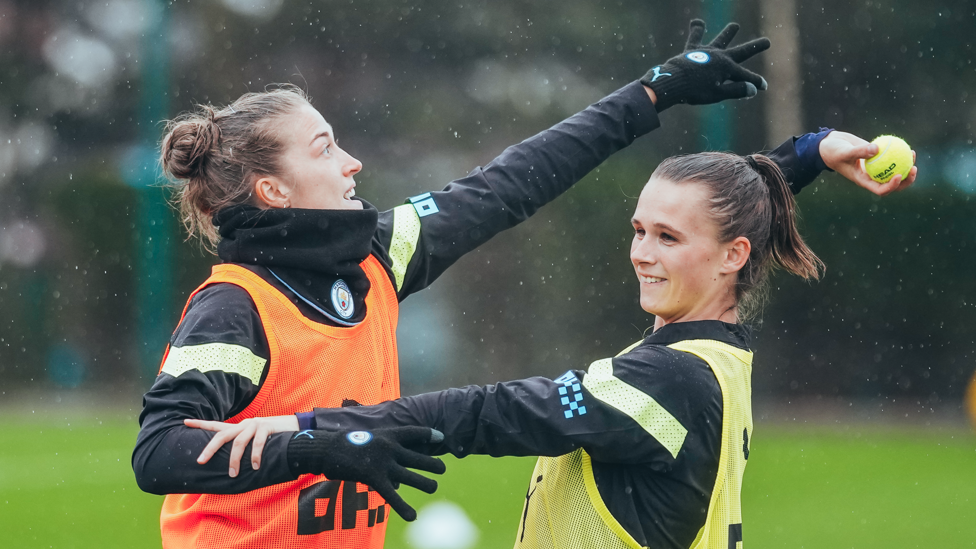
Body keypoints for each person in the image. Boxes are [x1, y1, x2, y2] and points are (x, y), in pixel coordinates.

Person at [131, 17, 864, 548]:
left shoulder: (374, 259)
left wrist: (651, 93)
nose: (351, 161)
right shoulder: (235, 305)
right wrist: (311, 445)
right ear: (273, 191)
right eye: (325, 148)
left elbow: (514, 181)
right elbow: (158, 448)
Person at [184, 130, 917, 549]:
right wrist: (809, 154)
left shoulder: (670, 383)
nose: (642, 252)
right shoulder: (706, 353)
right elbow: (732, 220)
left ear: (733, 256)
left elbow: (492, 411)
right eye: (638, 230)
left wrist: (313, 427)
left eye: (667, 236)